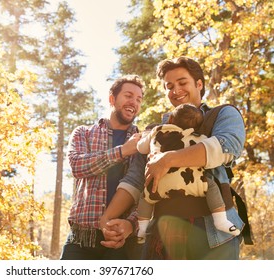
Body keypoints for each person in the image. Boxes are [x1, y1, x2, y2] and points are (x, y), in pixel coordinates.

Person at [100, 56, 246, 260]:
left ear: (199, 84)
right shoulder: (155, 131)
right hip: (163, 234)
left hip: (214, 235)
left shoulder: (222, 115)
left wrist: (167, 160)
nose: (175, 90)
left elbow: (226, 147)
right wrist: (107, 219)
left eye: (182, 83)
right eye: (169, 86)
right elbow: (135, 180)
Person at [60, 75, 145, 260]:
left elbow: (146, 191)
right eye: (128, 95)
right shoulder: (83, 133)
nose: (134, 102)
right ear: (112, 98)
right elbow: (77, 165)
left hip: (123, 242)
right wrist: (122, 151)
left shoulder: (145, 142)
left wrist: (130, 224)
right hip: (81, 240)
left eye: (139, 99)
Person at [136, 103, 241, 243]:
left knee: (146, 197)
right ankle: (221, 220)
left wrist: (145, 138)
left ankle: (142, 230)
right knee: (212, 187)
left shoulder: (157, 131)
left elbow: (141, 148)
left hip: (159, 184)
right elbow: (218, 148)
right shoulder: (199, 138)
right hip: (193, 183)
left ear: (170, 119)